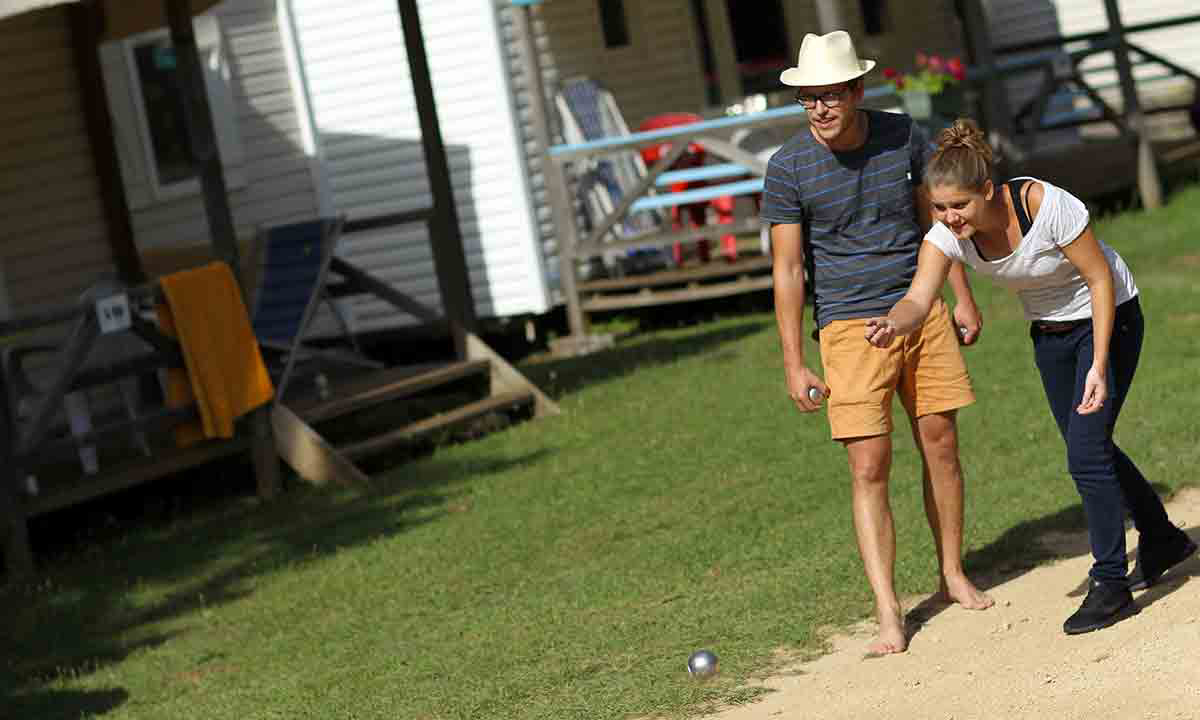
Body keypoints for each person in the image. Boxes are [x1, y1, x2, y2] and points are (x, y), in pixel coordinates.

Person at [865, 118, 1197, 635]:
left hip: (1109, 318)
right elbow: (917, 298)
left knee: (1086, 452)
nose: (950, 217)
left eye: (960, 205)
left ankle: (1110, 584)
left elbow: (1099, 279)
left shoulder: (1043, 204)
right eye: (940, 207)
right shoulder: (948, 234)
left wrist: (1100, 364)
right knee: (1090, 445)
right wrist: (892, 322)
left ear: (988, 192)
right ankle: (1161, 536)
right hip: (1049, 333)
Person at [762, 31, 994, 656]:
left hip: (921, 311)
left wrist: (962, 296)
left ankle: (951, 574)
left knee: (941, 445)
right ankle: (888, 610)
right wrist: (793, 361)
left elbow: (937, 223)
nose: (819, 109)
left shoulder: (903, 137)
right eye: (808, 98)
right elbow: (787, 271)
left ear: (858, 91)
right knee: (869, 465)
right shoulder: (787, 167)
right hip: (846, 328)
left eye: (830, 96)